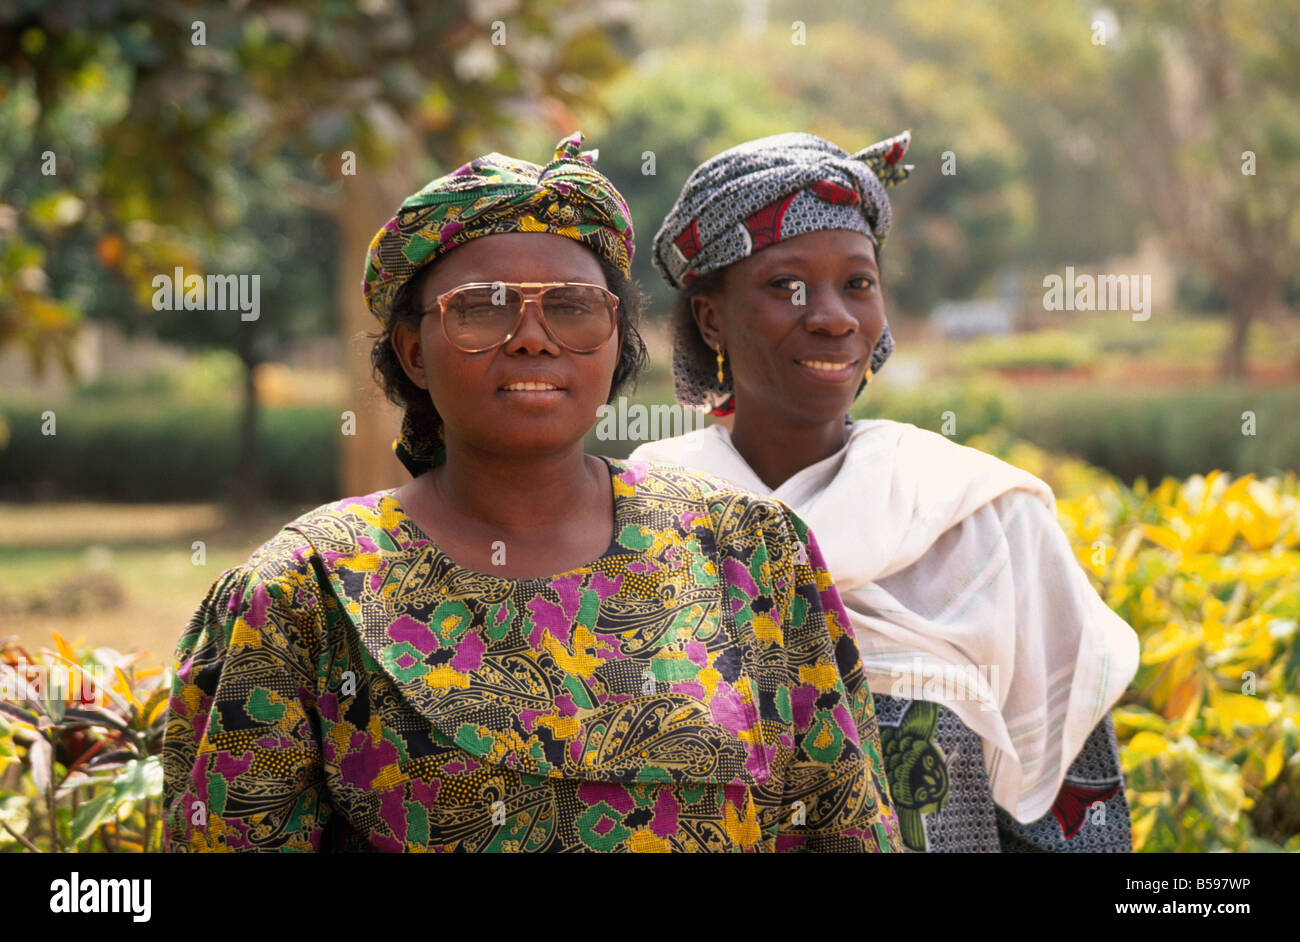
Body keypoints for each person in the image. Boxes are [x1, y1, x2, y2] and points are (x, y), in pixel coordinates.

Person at [161, 131, 902, 853]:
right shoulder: (303, 595)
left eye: (574, 306)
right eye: (483, 306)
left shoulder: (752, 554)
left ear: (616, 343)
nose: (532, 337)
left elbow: (840, 824)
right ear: (413, 352)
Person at [630, 130, 1141, 852]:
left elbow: (1076, 817)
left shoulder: (984, 521)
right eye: (786, 286)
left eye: (858, 284)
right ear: (711, 317)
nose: (834, 316)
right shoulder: (644, 519)